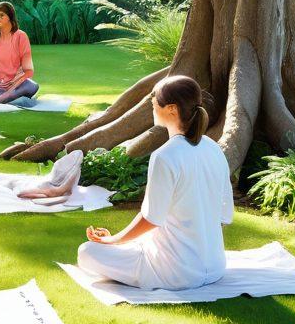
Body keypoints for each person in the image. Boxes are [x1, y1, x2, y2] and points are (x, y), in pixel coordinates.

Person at [76, 75, 232, 291]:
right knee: (140, 243)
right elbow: (222, 217)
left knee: (86, 252)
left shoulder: (165, 156)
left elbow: (151, 220)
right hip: (215, 266)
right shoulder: (214, 149)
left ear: (172, 109)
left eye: (154, 100)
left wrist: (114, 241)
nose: (152, 104)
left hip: (176, 273)